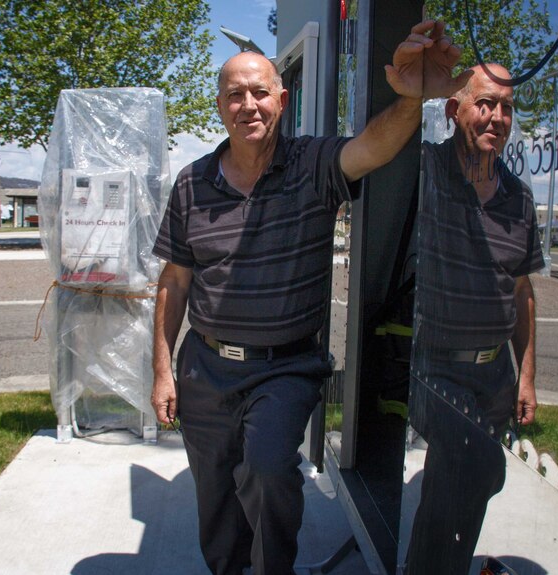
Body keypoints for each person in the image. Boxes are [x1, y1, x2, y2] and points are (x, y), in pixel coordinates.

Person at [150, 20, 471, 575]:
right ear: (220, 107)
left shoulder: (314, 165)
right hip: (205, 367)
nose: (247, 104)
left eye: (259, 92)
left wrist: (413, 100)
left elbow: (374, 146)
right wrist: (162, 368)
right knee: (217, 499)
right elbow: (174, 282)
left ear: (282, 98)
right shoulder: (191, 183)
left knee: (269, 470)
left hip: (284, 367)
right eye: (234, 95)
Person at [402, 63, 544, 574]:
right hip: (430, 368)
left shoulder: (519, 198)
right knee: (479, 464)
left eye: (506, 107)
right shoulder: (421, 172)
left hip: (494, 377)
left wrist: (525, 375)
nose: (497, 117)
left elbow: (523, 291)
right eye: (485, 103)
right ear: (453, 108)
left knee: (457, 488)